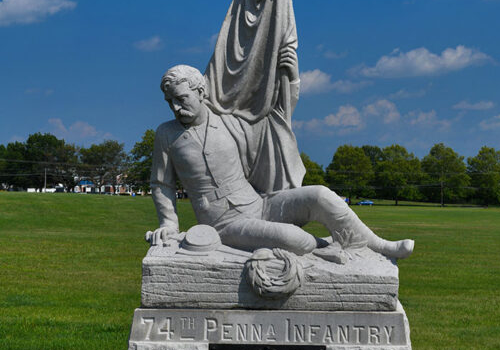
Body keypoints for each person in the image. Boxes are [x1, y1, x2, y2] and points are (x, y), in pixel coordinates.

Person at [148, 56, 414, 260]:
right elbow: (162, 184)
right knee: (292, 238)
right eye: (169, 101)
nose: (176, 107)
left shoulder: (230, 123)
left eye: (182, 99)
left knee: (320, 195)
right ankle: (324, 247)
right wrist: (169, 223)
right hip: (224, 224)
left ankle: (377, 247)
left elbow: (276, 117)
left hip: (261, 204)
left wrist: (292, 79)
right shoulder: (166, 134)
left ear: (201, 92)